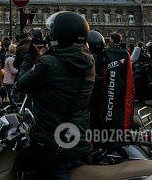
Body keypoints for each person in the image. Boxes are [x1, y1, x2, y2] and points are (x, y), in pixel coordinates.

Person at [15, 11, 94, 179]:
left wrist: (30, 56)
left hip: (51, 141)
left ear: (60, 34)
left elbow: (20, 84)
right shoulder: (88, 61)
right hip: (77, 138)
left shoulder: (48, 63)